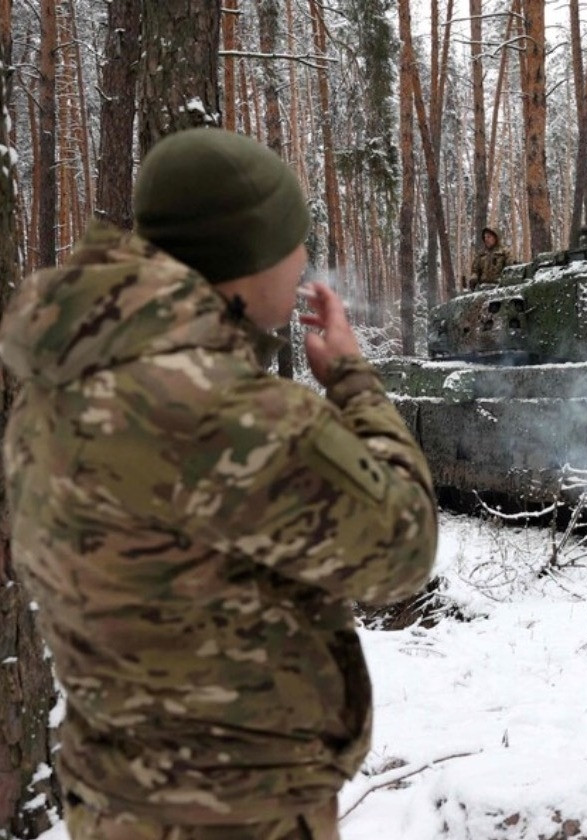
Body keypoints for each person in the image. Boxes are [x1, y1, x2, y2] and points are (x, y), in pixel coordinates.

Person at [0, 128, 439, 840]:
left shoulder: (64, 379)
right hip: (233, 815)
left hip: (117, 799)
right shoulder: (221, 413)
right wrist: (354, 381)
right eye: (291, 244)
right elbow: (404, 545)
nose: (302, 264)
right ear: (241, 261)